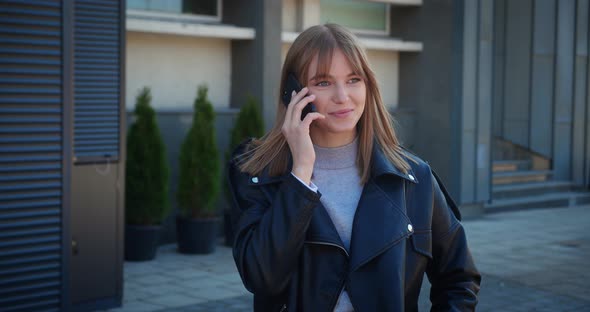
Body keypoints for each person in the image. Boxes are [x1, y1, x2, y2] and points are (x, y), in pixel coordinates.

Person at [227, 23, 480, 311]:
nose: (342, 96)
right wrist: (301, 173)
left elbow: (459, 280)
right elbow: (262, 278)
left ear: (368, 84)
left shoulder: (413, 178)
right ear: (293, 92)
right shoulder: (256, 174)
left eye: (353, 79)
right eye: (323, 82)